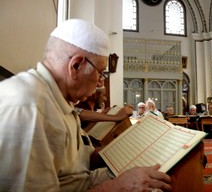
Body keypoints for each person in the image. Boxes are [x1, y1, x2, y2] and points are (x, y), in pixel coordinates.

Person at [0, 19, 171, 191]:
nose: (100, 83)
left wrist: (133, 148)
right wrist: (119, 186)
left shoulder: (60, 101)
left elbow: (84, 160)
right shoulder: (28, 106)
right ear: (76, 65)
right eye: (100, 72)